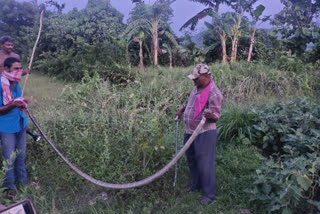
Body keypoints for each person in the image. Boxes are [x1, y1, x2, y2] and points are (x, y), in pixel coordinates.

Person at [176, 64, 223, 205]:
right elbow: (193, 103)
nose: (194, 81)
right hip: (190, 131)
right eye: (194, 79)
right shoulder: (196, 88)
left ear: (207, 76)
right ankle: (196, 184)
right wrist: (183, 110)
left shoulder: (214, 93)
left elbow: (216, 116)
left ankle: (209, 193)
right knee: (191, 158)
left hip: (204, 132)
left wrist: (210, 115)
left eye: (197, 79)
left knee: (205, 163)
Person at [0, 36, 41, 142]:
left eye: (11, 45)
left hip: (13, 87)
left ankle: (29, 132)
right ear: (1, 45)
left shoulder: (15, 56)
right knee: (3, 110)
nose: (10, 47)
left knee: (16, 109)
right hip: (2, 86)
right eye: (7, 45)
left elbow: (17, 72)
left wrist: (25, 72)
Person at [0, 57, 29, 198]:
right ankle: (10, 188)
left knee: (21, 155)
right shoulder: (1, 84)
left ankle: (23, 182)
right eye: (16, 69)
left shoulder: (16, 83)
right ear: (6, 69)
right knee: (9, 157)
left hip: (20, 124)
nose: (19, 71)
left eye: (20, 68)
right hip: (7, 127)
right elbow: (1, 110)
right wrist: (13, 104)